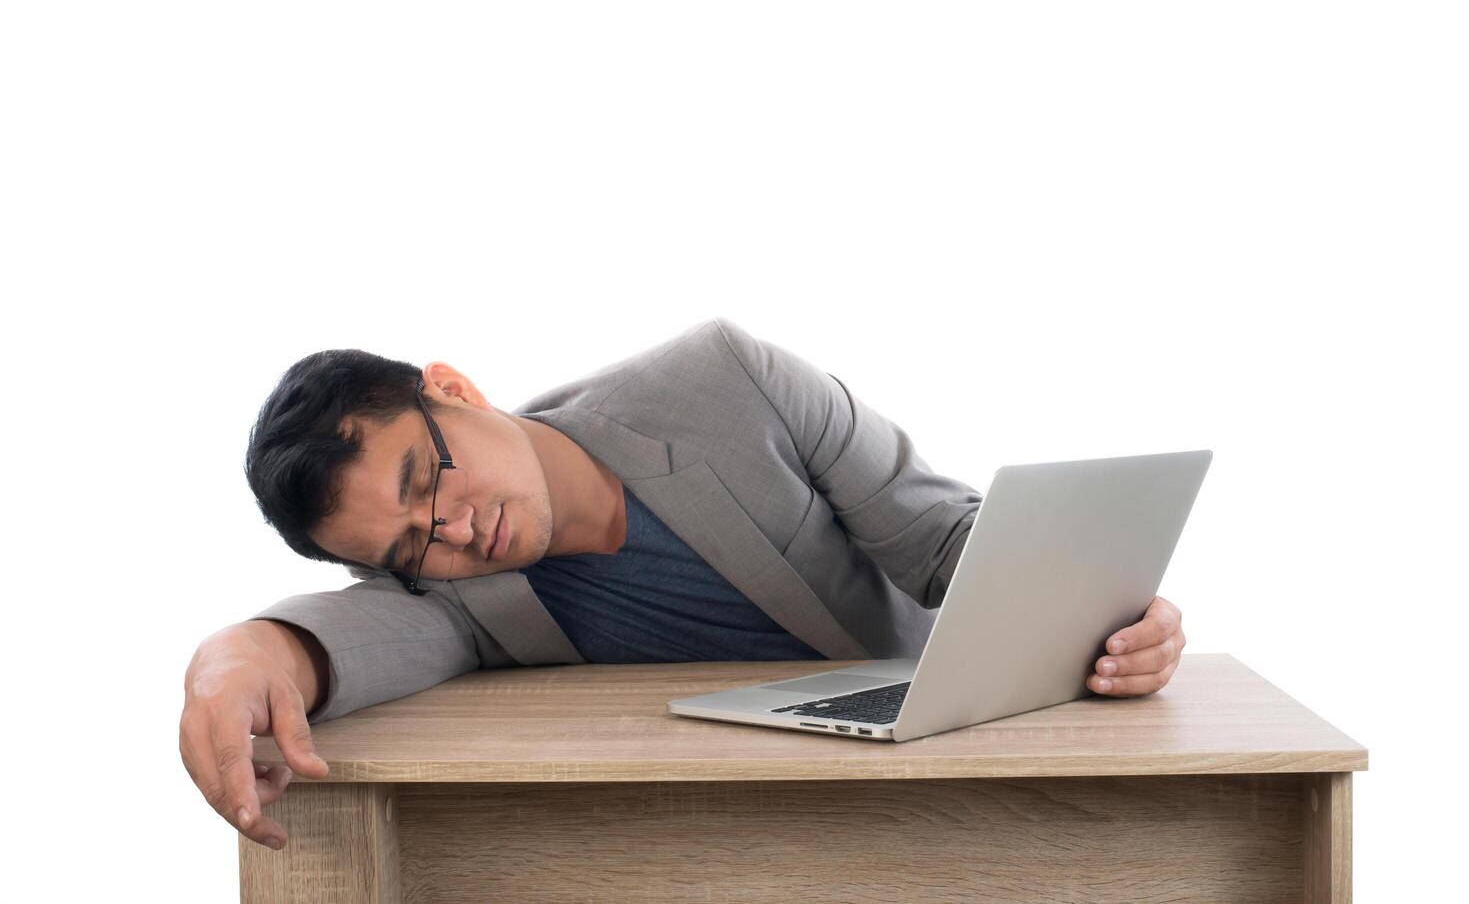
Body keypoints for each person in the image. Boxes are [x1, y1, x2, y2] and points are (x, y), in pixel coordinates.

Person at [179, 317, 1187, 852]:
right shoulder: (451, 594)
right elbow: (357, 635)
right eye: (407, 546)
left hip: (942, 775)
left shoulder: (726, 382)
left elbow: (943, 539)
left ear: (452, 387)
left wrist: (1104, 611)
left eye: (423, 475)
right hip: (720, 838)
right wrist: (247, 650)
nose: (448, 528)